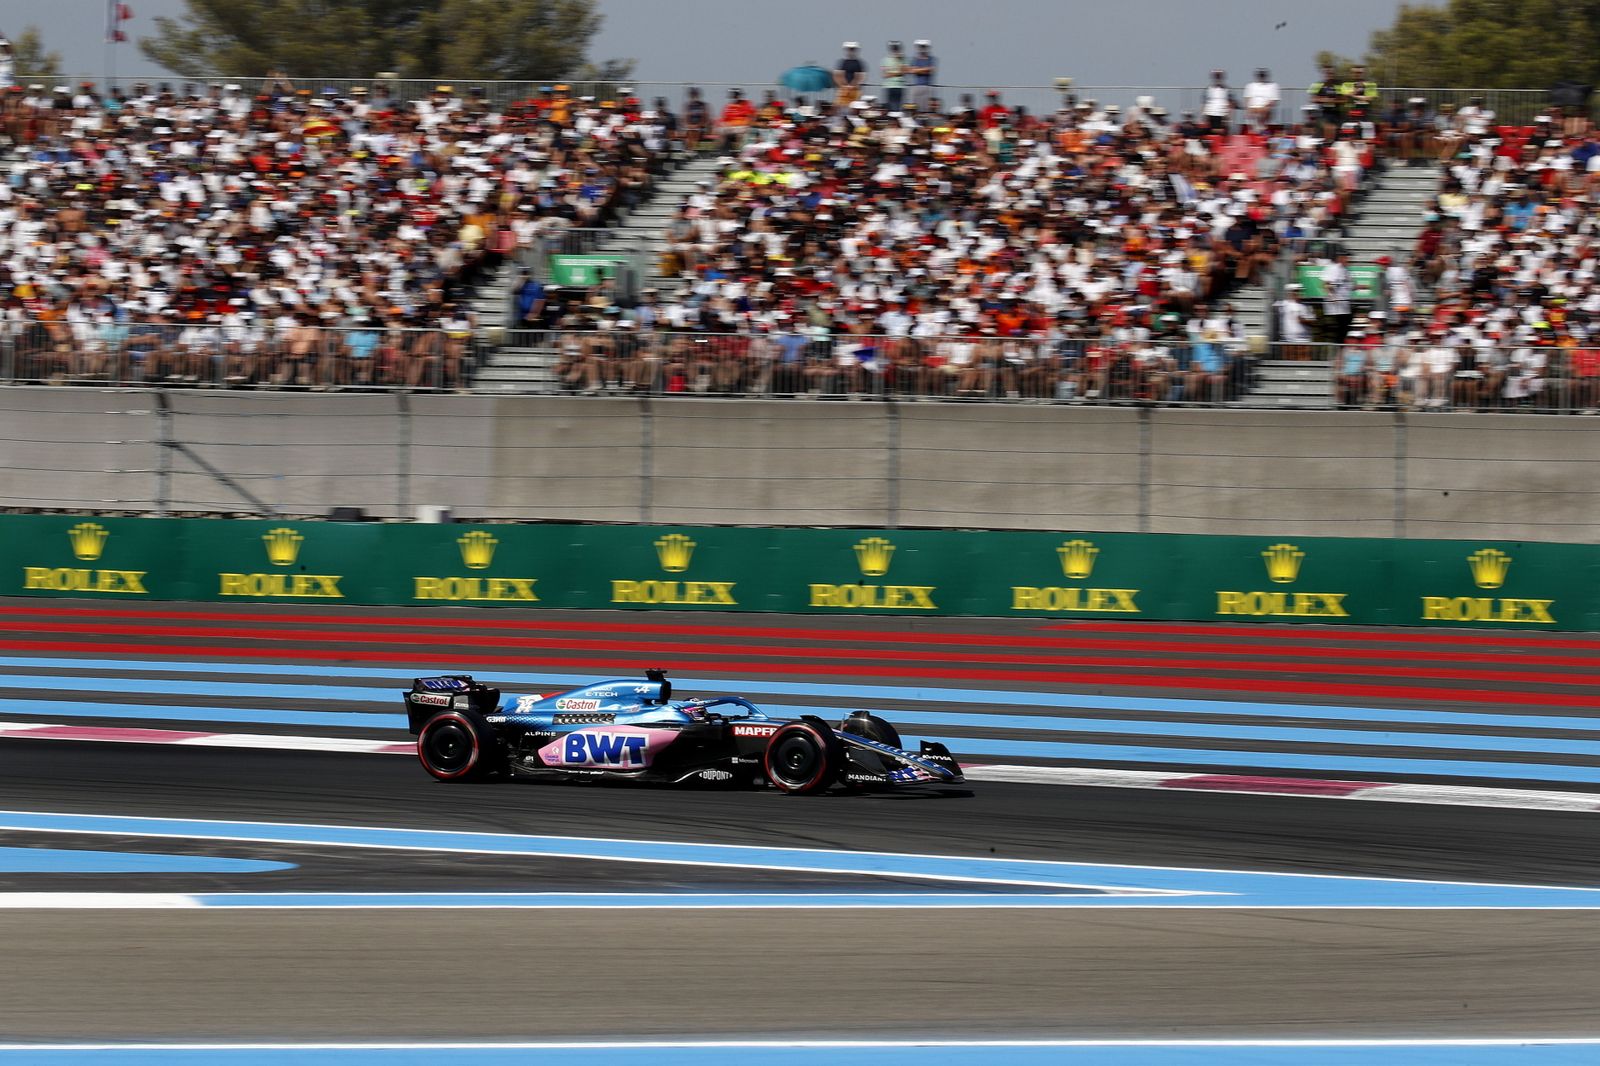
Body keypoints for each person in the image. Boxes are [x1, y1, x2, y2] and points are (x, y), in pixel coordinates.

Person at [1321, 252, 1354, 344]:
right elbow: (1326, 284)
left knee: (1343, 331)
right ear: (1340, 258)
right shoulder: (1333, 268)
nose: (1348, 260)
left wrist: (1364, 287)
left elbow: (1349, 286)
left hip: (1343, 307)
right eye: (1346, 258)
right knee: (1334, 333)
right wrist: (1332, 297)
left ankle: (1339, 353)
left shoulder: (1346, 271)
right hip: (1334, 308)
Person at [1243, 68, 1278, 133]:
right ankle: (1257, 130)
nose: (1261, 77)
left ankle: (1261, 130)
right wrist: (1248, 109)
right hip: (1253, 108)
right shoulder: (1250, 86)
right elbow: (1247, 100)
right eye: (1260, 75)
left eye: (1263, 75)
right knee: (1252, 112)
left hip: (1265, 109)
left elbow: (1274, 101)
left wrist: (1263, 108)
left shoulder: (1273, 86)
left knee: (1265, 111)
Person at [833, 42, 866, 108]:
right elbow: (837, 76)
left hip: (855, 90)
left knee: (854, 107)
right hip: (843, 90)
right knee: (840, 107)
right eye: (849, 49)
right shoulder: (842, 62)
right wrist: (844, 86)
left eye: (852, 49)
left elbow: (861, 76)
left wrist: (853, 85)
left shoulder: (859, 63)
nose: (850, 51)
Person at [908, 40, 937, 112]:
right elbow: (911, 71)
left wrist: (918, 70)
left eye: (924, 46)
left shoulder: (931, 59)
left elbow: (931, 70)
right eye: (920, 46)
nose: (922, 48)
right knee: (915, 108)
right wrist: (924, 69)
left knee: (927, 108)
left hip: (928, 86)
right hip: (916, 86)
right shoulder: (914, 59)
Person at [880, 41, 907, 112]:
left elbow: (904, 71)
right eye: (894, 48)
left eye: (896, 48)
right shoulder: (885, 60)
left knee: (898, 108)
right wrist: (898, 72)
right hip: (888, 86)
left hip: (900, 86)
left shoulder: (903, 59)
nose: (895, 50)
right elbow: (884, 74)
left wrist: (891, 73)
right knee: (889, 108)